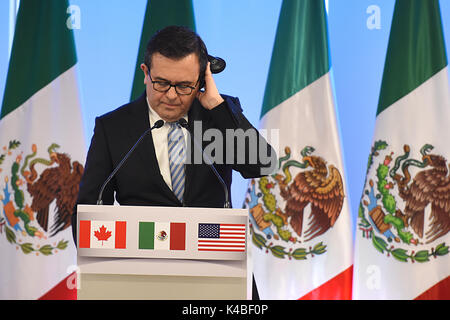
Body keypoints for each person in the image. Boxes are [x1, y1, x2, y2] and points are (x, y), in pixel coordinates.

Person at [71, 25, 275, 240]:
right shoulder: (113, 127)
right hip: (142, 262)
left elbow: (262, 164)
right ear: (145, 73)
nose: (170, 95)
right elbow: (87, 211)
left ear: (201, 81)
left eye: (184, 85)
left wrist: (216, 105)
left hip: (213, 255)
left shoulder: (218, 116)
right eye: (161, 83)